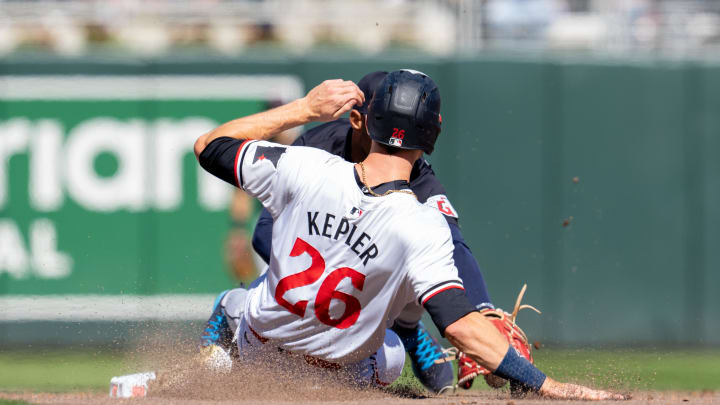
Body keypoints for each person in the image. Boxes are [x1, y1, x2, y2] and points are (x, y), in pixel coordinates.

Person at [194, 70, 626, 400]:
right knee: (393, 352)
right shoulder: (422, 223)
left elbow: (209, 145)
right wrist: (545, 384)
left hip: (258, 347)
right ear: (433, 136)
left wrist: (304, 108)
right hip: (338, 376)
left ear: (363, 120)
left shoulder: (303, 164)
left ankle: (213, 362)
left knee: (239, 300)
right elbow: (458, 325)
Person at [201, 71, 496, 393]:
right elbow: (263, 231)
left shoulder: (414, 170)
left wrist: (483, 310)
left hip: (367, 288)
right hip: (308, 276)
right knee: (263, 310)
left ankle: (409, 329)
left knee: (420, 274)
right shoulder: (319, 147)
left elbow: (453, 246)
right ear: (358, 120)